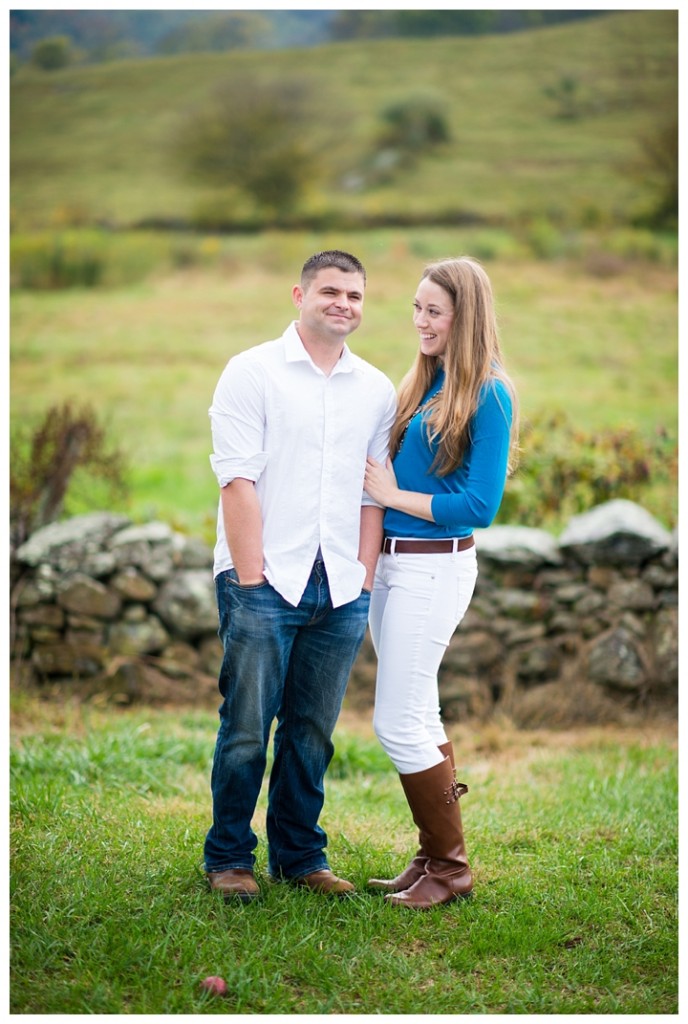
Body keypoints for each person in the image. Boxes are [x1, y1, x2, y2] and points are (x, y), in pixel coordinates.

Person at [204, 250, 397, 901]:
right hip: (264, 581)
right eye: (332, 291)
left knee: (312, 732)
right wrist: (253, 581)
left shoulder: (375, 389)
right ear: (299, 294)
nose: (344, 304)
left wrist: (363, 579)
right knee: (248, 729)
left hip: (340, 587)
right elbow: (236, 480)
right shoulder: (251, 371)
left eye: (356, 296)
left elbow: (375, 495)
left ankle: (299, 858)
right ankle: (229, 858)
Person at [363, 256, 518, 910]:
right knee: (420, 713)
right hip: (396, 565)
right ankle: (432, 859)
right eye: (417, 309)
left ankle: (451, 869)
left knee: (395, 722)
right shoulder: (423, 381)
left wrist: (397, 496)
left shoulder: (489, 392)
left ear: (465, 317)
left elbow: (481, 506)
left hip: (436, 565)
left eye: (434, 311)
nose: (420, 322)